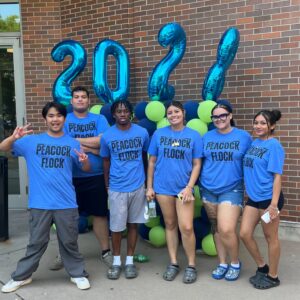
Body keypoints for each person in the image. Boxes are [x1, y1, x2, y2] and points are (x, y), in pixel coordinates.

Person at [0, 102, 90, 293]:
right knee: (36, 242)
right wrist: (13, 137)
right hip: (40, 203)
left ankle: (77, 273)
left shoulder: (72, 143)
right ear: (45, 119)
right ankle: (22, 276)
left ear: (64, 119)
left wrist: (85, 162)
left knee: (69, 242)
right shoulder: (31, 141)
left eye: (58, 115)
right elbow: (3, 148)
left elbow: (85, 168)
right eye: (51, 116)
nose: (55, 119)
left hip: (66, 202)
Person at [49, 86, 112, 271]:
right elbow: (62, 141)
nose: (80, 100)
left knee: (100, 215)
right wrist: (92, 147)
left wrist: (76, 141)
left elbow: (103, 141)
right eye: (76, 97)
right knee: (68, 218)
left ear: (88, 100)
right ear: (71, 101)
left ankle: (105, 252)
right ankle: (64, 254)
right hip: (69, 178)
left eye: (83, 97)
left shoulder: (99, 119)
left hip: (96, 176)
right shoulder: (65, 119)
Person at [146, 101, 202, 284]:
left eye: (176, 111)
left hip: (183, 189)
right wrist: (150, 186)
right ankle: (173, 262)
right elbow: (152, 162)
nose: (173, 115)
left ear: (183, 113)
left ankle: (191, 265)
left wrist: (189, 187)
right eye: (169, 112)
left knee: (186, 227)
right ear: (166, 116)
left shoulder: (193, 135)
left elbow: (197, 164)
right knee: (170, 224)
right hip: (162, 187)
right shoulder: (159, 134)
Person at [199, 99, 252, 281]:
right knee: (216, 227)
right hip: (208, 188)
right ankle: (222, 262)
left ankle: (235, 262)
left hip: (232, 189)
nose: (219, 119)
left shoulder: (244, 137)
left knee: (227, 228)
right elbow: (199, 162)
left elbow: (252, 164)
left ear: (230, 116)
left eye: (223, 115)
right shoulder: (206, 137)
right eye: (215, 117)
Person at [100, 100, 149, 280]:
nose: (122, 114)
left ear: (131, 113)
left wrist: (145, 183)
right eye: (119, 111)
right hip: (117, 187)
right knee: (116, 227)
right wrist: (107, 185)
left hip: (137, 185)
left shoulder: (142, 132)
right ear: (113, 114)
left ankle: (129, 261)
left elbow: (144, 156)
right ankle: (116, 262)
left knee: (133, 224)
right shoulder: (107, 136)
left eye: (125, 111)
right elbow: (106, 162)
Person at [240, 110, 285, 289]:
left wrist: (273, 205)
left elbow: (277, 177)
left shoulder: (274, 146)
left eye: (263, 123)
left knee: (270, 237)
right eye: (256, 122)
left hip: (269, 199)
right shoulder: (254, 143)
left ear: (271, 126)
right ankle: (262, 265)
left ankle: (273, 276)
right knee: (244, 233)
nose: (258, 126)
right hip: (253, 198)